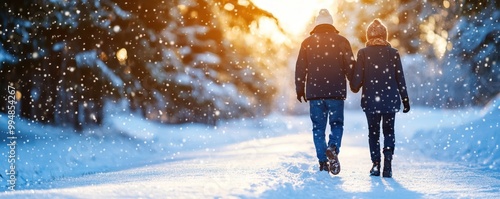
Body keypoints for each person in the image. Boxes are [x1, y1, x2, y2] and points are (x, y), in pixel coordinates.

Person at [295, 9, 355, 175]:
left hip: (315, 93)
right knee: (337, 124)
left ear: (316, 24)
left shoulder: (307, 43)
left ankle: (322, 162)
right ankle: (333, 147)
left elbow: (300, 68)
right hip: (336, 92)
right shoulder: (342, 41)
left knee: (318, 128)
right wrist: (355, 83)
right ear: (331, 23)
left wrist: (300, 88)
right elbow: (350, 66)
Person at [350, 19, 410, 178]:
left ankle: (376, 165)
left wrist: (353, 82)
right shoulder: (393, 53)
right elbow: (400, 78)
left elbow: (356, 83)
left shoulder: (363, 53)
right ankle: (388, 163)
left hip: (371, 102)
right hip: (390, 101)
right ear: (385, 36)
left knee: (374, 133)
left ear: (368, 35)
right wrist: (405, 99)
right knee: (389, 131)